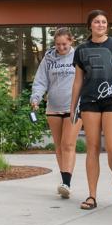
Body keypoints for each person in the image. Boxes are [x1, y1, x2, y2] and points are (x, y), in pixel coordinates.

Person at [70, 9, 112, 211]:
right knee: (92, 148)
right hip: (89, 101)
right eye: (97, 21)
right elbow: (78, 80)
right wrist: (73, 107)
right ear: (90, 25)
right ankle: (92, 195)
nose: (101, 25)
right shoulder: (81, 50)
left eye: (104, 22)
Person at [30, 27, 78, 198]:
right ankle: (65, 179)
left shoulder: (78, 56)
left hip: (74, 107)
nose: (61, 47)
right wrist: (36, 98)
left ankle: (66, 182)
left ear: (71, 41)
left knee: (68, 144)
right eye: (58, 44)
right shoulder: (49, 58)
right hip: (53, 108)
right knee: (58, 146)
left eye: (64, 44)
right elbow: (41, 80)